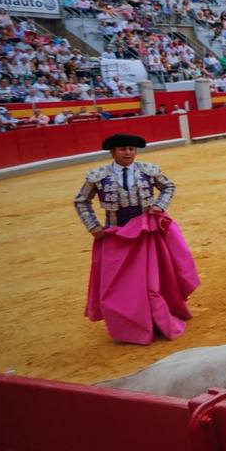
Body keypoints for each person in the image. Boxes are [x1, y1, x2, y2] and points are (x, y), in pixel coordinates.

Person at [75, 133, 197, 343]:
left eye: (131, 149)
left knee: (150, 282)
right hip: (115, 236)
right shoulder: (98, 175)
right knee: (118, 285)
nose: (128, 153)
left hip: (145, 233)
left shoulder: (147, 170)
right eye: (123, 149)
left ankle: (155, 319)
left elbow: (169, 187)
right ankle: (128, 326)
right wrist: (93, 225)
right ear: (113, 152)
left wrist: (160, 206)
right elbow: (81, 201)